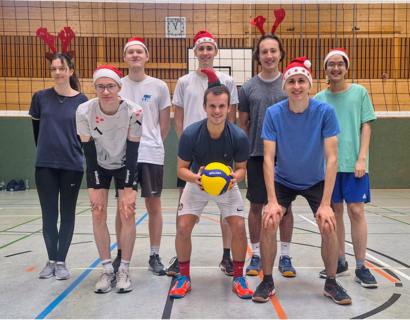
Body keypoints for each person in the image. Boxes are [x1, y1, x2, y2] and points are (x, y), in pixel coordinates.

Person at [253, 57, 352, 305]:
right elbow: (268, 159)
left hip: (315, 180)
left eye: (301, 81)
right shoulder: (274, 113)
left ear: (309, 84)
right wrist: (272, 201)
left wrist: (326, 203)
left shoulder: (325, 112)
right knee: (269, 220)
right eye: (291, 82)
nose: (296, 86)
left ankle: (331, 281)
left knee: (328, 223)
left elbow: (332, 159)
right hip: (283, 179)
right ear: (284, 86)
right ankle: (267, 280)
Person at [169, 69, 253, 299]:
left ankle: (238, 278)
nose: (217, 111)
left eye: (222, 106)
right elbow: (181, 170)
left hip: (226, 185)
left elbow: (242, 169)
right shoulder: (190, 134)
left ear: (228, 108)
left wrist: (234, 178)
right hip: (197, 182)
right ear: (205, 107)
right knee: (183, 227)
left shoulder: (238, 136)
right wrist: (197, 178)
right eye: (212, 106)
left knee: (238, 228)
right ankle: (184, 277)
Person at [169, 30, 239, 276]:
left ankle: (227, 256)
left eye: (209, 48)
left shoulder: (227, 80)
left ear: (215, 51)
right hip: (193, 156)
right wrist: (187, 147)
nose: (205, 52)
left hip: (221, 154)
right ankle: (180, 260)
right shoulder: (184, 81)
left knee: (226, 208)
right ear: (195, 53)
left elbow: (232, 117)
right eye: (201, 48)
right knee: (184, 208)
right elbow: (178, 118)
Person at [76, 65, 143, 293]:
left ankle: (124, 268)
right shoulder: (84, 112)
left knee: (127, 211)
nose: (106, 91)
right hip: (99, 164)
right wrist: (94, 186)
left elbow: (133, 153)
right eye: (101, 86)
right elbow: (89, 152)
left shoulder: (134, 111)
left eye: (110, 86)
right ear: (94, 88)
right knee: (98, 210)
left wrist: (130, 187)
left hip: (125, 163)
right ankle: (106, 269)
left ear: (119, 87)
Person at [315, 49, 378, 288]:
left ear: (346, 67)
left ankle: (362, 266)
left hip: (354, 165)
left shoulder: (359, 92)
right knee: (335, 213)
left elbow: (367, 127)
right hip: (328, 166)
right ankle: (340, 262)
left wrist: (361, 158)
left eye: (340, 64)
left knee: (356, 212)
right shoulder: (319, 98)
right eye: (331, 64)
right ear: (326, 69)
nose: (335, 68)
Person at [110, 37, 171, 276]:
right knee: (122, 206)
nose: (135, 55)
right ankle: (120, 254)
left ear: (147, 57)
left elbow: (164, 125)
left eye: (139, 52)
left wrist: (151, 142)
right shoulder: (116, 85)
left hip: (151, 153)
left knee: (153, 205)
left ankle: (154, 255)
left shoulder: (159, 86)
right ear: (125, 58)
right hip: (122, 156)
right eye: (130, 52)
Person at [30, 27, 88, 280]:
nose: (57, 72)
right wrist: (46, 151)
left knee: (67, 214)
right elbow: (36, 130)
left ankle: (61, 261)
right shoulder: (40, 97)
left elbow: (85, 137)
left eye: (62, 68)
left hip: (72, 165)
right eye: (53, 69)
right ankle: (51, 260)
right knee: (48, 215)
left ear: (70, 71)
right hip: (45, 164)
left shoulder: (82, 100)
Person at [238, 33, 296, 277]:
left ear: (281, 54)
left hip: (285, 157)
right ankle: (257, 255)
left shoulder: (292, 84)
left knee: (286, 208)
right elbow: (243, 125)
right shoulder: (249, 87)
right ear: (258, 56)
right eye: (264, 51)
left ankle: (285, 256)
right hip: (257, 156)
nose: (269, 55)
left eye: (273, 50)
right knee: (256, 206)